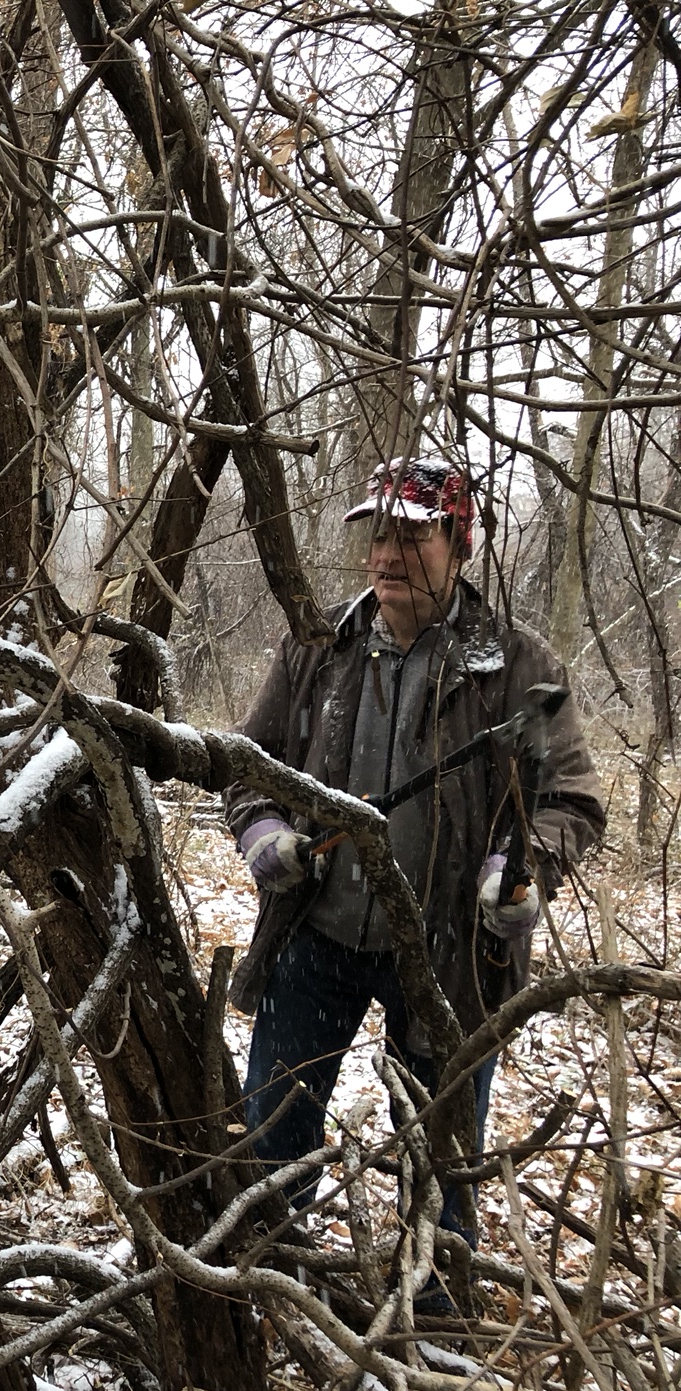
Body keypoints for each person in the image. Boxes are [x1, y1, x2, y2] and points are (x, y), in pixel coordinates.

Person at [222, 457, 603, 1282]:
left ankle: (432, 1311)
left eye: (415, 535)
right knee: (275, 1127)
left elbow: (570, 798)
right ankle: (276, 1283)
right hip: (314, 935)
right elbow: (248, 768)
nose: (388, 555)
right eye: (379, 535)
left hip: (450, 954)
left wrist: (521, 871)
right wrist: (263, 835)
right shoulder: (319, 647)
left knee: (440, 1152)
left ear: (460, 545)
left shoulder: (517, 668)